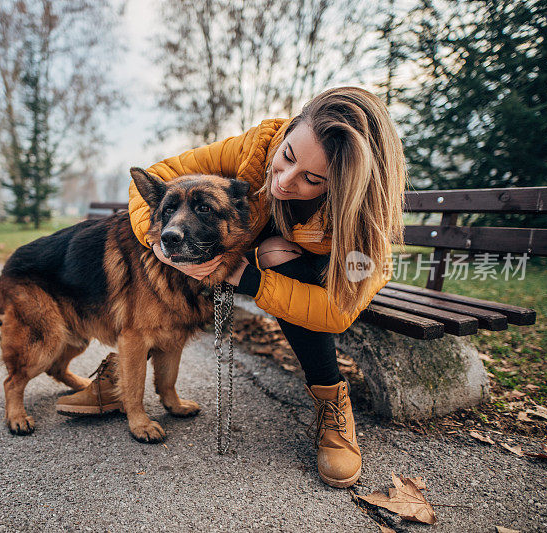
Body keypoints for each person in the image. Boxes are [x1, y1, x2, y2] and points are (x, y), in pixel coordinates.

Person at [57, 86, 406, 488]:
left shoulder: (367, 220)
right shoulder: (256, 148)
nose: (284, 181)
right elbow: (155, 180)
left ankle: (331, 404)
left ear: (345, 185)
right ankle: (120, 374)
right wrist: (158, 241)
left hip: (303, 274)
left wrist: (245, 276)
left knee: (277, 252)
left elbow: (337, 313)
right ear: (288, 131)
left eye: (311, 178)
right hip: (244, 252)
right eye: (288, 157)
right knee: (160, 289)